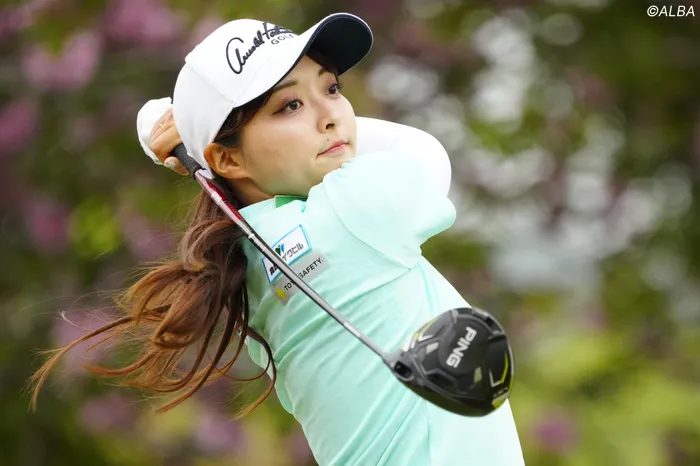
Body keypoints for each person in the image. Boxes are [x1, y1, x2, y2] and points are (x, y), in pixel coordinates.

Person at [29, 12, 524, 466]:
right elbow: (424, 150)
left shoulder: (247, 264)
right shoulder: (354, 212)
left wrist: (194, 143)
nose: (330, 116)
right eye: (290, 105)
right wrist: (178, 133)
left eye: (331, 88)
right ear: (228, 160)